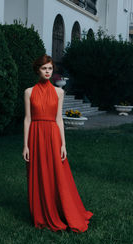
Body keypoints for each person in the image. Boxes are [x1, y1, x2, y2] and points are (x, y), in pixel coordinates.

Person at [22, 54, 93, 233]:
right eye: (44, 68)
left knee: (58, 174)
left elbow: (59, 119)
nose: (47, 72)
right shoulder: (29, 92)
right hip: (36, 136)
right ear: (38, 70)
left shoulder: (59, 92)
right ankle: (41, 214)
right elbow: (28, 119)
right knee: (38, 173)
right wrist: (25, 145)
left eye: (50, 68)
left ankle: (63, 210)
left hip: (53, 135)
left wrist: (63, 144)